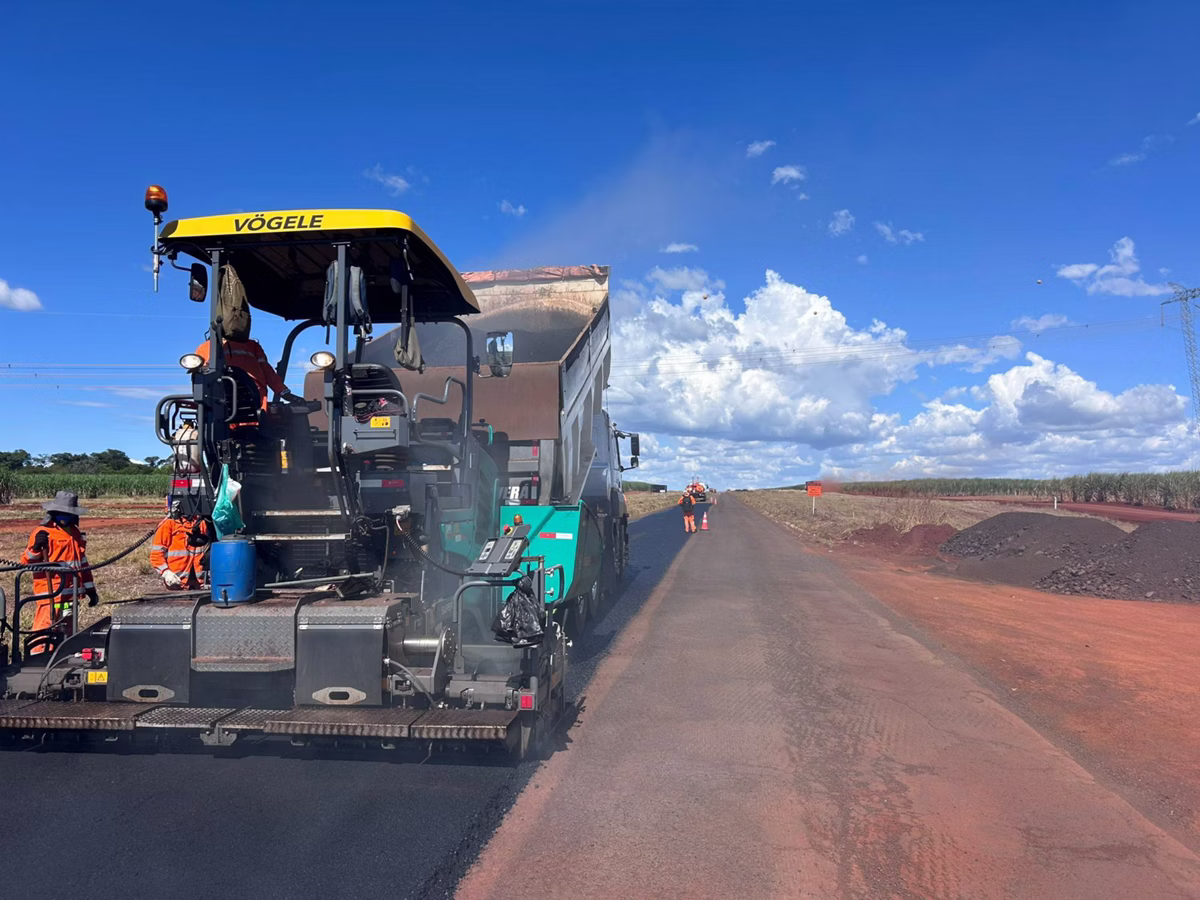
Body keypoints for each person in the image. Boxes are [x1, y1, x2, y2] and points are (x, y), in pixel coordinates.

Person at [20, 491, 99, 656]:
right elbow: (27, 562)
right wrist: (36, 548)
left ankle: (62, 656)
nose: (65, 517)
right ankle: (37, 659)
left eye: (69, 514)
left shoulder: (75, 532)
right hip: (51, 594)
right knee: (45, 629)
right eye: (62, 513)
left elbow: (82, 563)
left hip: (71, 594)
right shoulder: (42, 532)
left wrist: (90, 589)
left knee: (67, 630)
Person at [150, 503, 213, 591]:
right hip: (177, 583)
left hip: (202, 584)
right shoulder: (169, 524)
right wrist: (166, 572)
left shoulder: (202, 523)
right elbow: (156, 555)